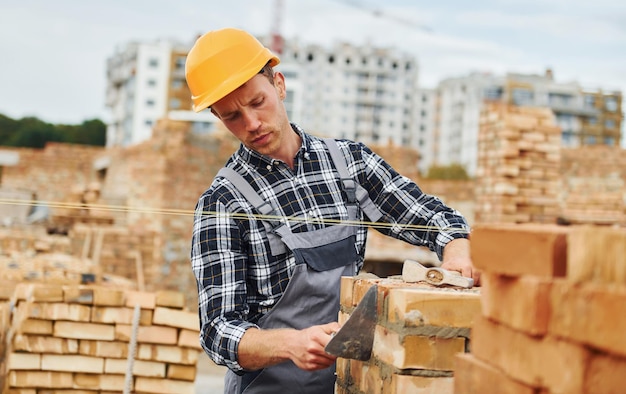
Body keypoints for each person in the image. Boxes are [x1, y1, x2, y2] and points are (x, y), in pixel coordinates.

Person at [187, 27, 480, 394]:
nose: (251, 124)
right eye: (232, 116)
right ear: (217, 116)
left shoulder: (348, 164)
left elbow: (431, 217)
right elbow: (217, 330)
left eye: (257, 102)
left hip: (346, 383)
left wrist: (457, 248)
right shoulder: (224, 202)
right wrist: (290, 344)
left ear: (278, 84)